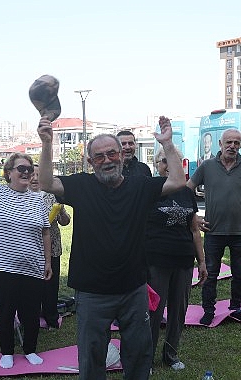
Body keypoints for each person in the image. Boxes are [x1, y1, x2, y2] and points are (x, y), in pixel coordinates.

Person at [38, 115, 187, 379]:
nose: (107, 160)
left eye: (111, 153)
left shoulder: (140, 186)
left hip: (134, 288)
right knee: (92, 355)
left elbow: (177, 181)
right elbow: (47, 183)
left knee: (139, 353)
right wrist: (47, 143)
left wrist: (168, 144)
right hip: (92, 291)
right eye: (99, 157)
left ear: (121, 155)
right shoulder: (81, 186)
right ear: (90, 162)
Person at [0, 114, 52, 370]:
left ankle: (30, 350)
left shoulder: (39, 198)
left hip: (33, 265)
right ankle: (6, 351)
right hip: (3, 266)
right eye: (21, 169)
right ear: (9, 173)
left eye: (30, 169)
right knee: (5, 312)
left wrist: (47, 262)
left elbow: (46, 232)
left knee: (30, 313)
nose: (26, 173)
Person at [187, 128, 241, 326]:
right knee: (209, 273)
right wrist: (194, 217)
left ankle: (236, 308)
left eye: (236, 143)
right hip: (213, 231)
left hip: (239, 231)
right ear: (220, 144)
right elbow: (187, 188)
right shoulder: (207, 166)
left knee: (240, 273)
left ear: (240, 145)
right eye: (229, 143)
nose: (232, 146)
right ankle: (208, 310)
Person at [146, 149, 207, 371]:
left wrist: (201, 261)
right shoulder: (150, 189)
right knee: (153, 311)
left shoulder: (186, 192)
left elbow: (194, 230)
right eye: (164, 161)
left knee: (178, 311)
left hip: (183, 260)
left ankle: (170, 355)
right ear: (156, 164)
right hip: (157, 261)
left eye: (173, 161)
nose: (168, 165)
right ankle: (147, 357)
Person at [30, 164, 71, 329]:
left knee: (50, 284)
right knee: (32, 284)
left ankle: (51, 317)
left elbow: (65, 221)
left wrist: (61, 211)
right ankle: (31, 315)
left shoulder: (53, 195)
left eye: (38, 175)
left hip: (52, 246)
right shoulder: (21, 196)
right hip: (30, 246)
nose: (34, 178)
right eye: (32, 174)